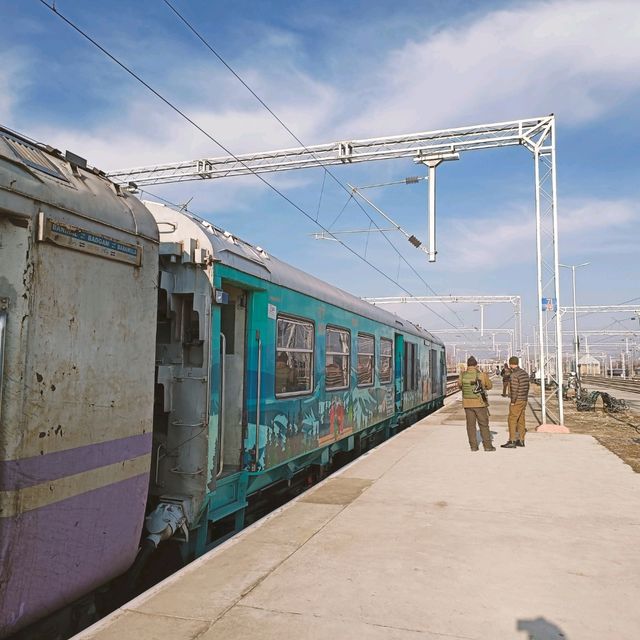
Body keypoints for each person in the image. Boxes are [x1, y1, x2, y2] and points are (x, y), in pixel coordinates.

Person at [458, 356, 495, 452]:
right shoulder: (482, 375)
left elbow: (460, 386)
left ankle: (473, 447)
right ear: (476, 365)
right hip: (480, 403)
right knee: (483, 424)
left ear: (468, 365)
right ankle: (487, 446)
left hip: (467, 404)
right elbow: (489, 386)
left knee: (470, 426)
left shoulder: (462, 375)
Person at [501, 356, 530, 449]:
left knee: (512, 419)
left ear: (511, 364)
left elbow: (514, 389)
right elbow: (527, 388)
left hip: (517, 400)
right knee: (521, 420)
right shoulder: (524, 373)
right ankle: (521, 440)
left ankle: (512, 440)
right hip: (524, 399)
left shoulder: (514, 375)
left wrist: (513, 401)